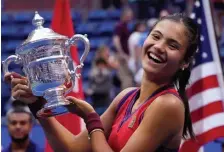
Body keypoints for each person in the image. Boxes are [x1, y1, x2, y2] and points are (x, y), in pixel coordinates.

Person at [5, 13, 199, 152]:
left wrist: (90, 117)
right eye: (156, 37)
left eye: (172, 45)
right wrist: (37, 104)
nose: (159, 47)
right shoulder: (126, 96)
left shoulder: (168, 104)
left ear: (184, 62)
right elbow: (73, 148)